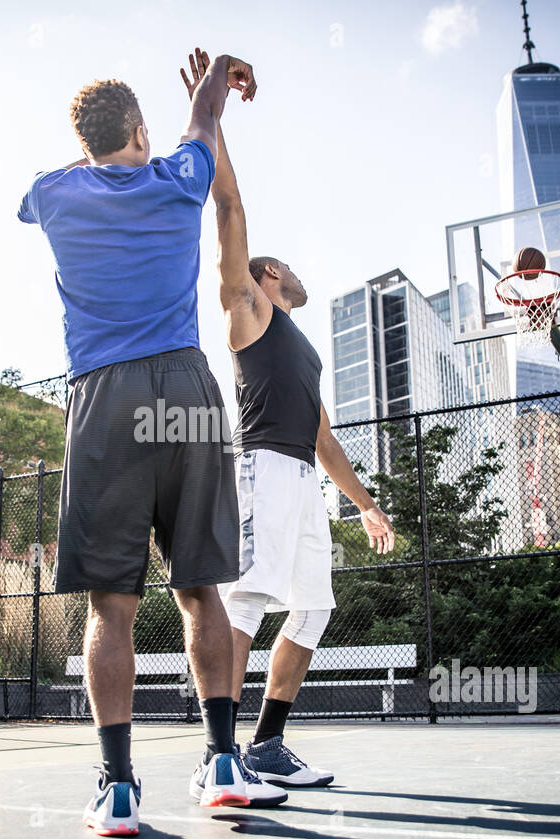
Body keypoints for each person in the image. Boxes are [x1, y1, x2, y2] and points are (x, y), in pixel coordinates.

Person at [19, 51, 283, 838]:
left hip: (105, 396)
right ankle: (225, 762)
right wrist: (218, 78)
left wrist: (99, 150)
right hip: (188, 388)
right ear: (142, 130)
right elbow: (203, 118)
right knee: (201, 589)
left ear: (89, 142)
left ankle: (120, 786)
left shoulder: (54, 193)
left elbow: (40, 192)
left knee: (114, 604)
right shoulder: (177, 176)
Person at [180, 49, 396, 790]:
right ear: (265, 273)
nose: (297, 272)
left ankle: (268, 744)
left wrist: (365, 504)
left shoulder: (303, 350)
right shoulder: (250, 306)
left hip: (304, 476)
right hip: (262, 470)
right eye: (286, 265)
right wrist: (214, 118)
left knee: (311, 610)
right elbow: (229, 208)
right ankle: (221, 752)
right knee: (248, 598)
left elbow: (325, 437)